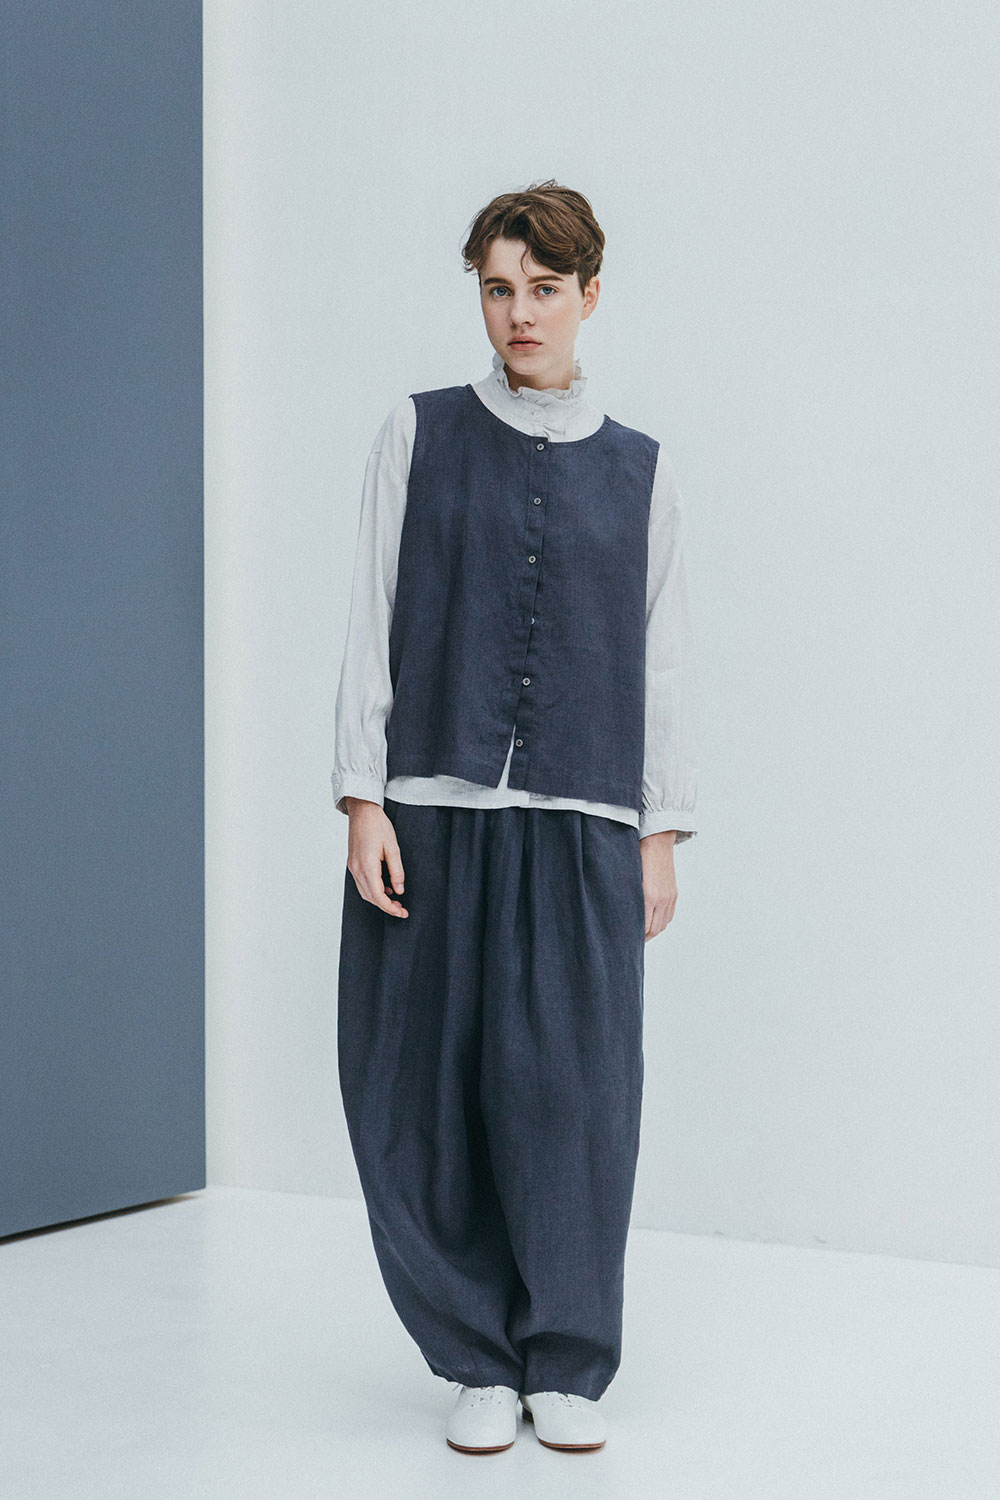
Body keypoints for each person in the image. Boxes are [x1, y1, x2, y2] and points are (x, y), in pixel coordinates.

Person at [330, 179, 699, 1455]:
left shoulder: (642, 471)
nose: (519, 313)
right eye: (498, 288)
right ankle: (474, 1354)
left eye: (544, 289)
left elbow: (665, 660)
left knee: (574, 1098)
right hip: (431, 815)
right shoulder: (418, 432)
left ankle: (566, 1359)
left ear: (589, 294)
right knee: (415, 1092)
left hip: (583, 818)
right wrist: (362, 796)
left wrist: (658, 831)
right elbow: (370, 617)